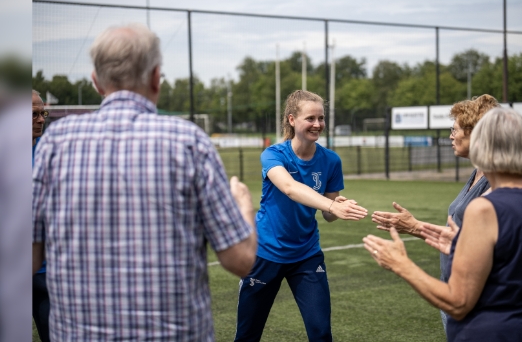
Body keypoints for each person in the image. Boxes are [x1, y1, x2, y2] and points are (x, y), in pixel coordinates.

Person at [32, 23, 257, 341]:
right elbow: (242, 261)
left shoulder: (54, 144)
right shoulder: (188, 141)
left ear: (96, 82)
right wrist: (244, 206)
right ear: (155, 77)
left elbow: (26, 259)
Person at [363, 107, 522, 341]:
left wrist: (400, 264)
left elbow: (458, 302)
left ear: (483, 144)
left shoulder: (484, 208)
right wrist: (461, 245)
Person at [234, 90, 368, 342]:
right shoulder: (273, 154)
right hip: (265, 253)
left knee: (320, 333)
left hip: (306, 256)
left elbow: (328, 214)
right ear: (292, 119)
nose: (317, 124)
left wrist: (337, 205)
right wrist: (330, 206)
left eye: (321, 118)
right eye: (310, 118)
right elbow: (290, 188)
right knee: (247, 335)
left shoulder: (331, 160)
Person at [370, 94, 499, 330]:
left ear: (475, 133)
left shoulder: (494, 182)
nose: (451, 135)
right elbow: (462, 236)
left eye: (455, 129)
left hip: (474, 299)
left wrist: (412, 235)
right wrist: (414, 226)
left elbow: (481, 247)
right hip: (456, 288)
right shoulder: (479, 172)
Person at [32, 89, 50, 342]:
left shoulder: (49, 155)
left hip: (47, 274)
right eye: (34, 114)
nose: (41, 119)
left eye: (43, 113)